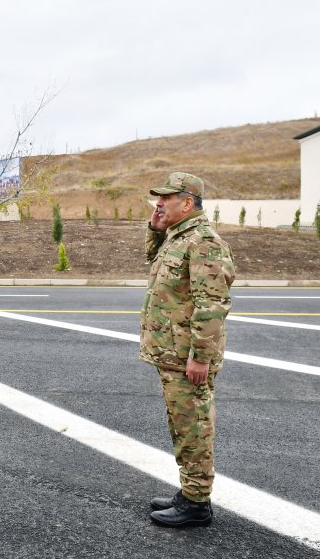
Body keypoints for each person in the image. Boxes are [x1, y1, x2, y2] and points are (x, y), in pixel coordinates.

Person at [140, 172, 235, 527]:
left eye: (166, 198)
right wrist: (154, 227)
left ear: (188, 203)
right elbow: (152, 260)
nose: (159, 203)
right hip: (173, 352)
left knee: (194, 425)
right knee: (182, 424)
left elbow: (212, 305)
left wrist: (200, 357)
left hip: (187, 357)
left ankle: (197, 504)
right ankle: (190, 491)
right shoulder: (178, 237)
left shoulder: (204, 242)